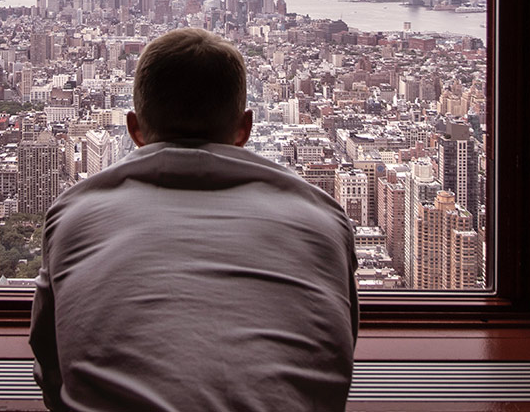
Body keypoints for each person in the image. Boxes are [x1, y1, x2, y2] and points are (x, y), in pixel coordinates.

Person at [29, 27, 359, 412]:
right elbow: (338, 353)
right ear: (244, 129)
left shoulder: (74, 216)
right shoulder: (322, 221)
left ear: (134, 128)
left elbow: (49, 364)